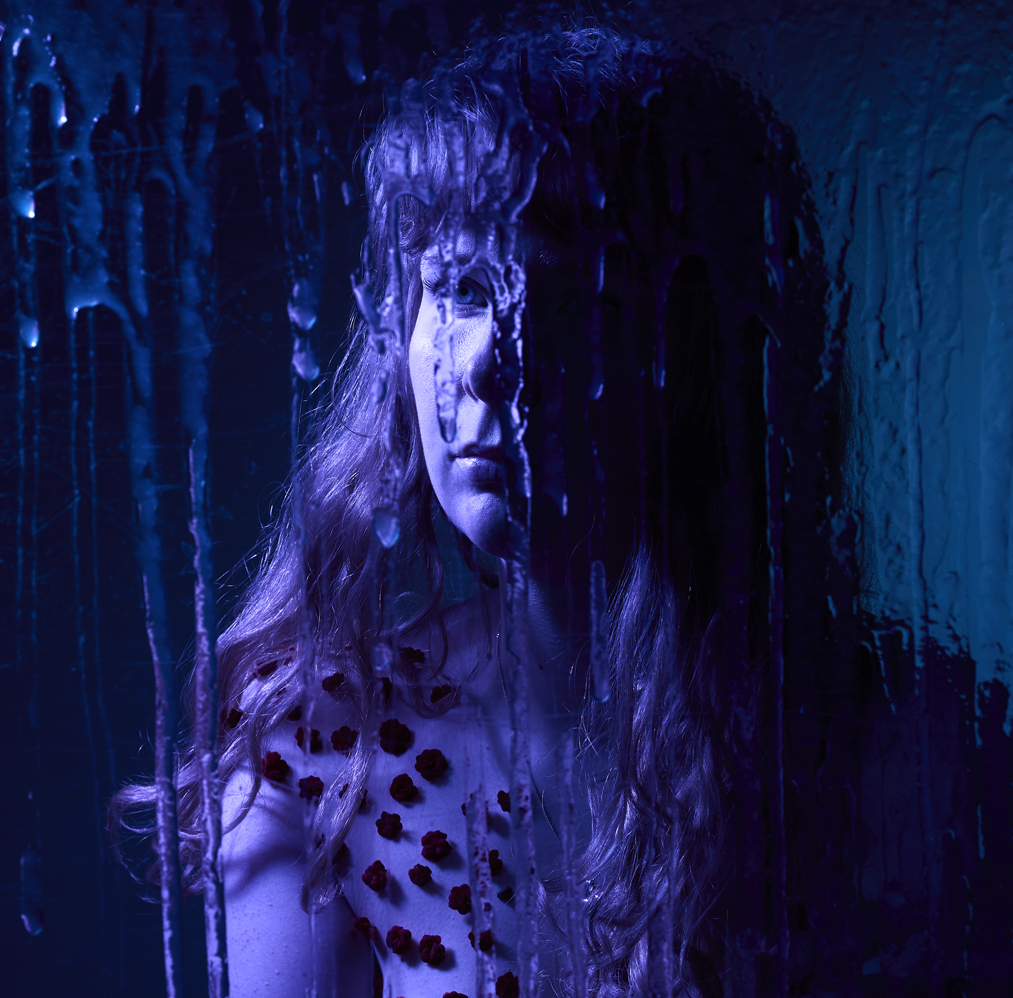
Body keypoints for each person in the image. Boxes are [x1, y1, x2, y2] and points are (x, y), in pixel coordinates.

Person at [111, 25, 849, 998]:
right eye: (458, 289)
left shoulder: (883, 748)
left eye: (563, 294)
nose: (485, 364)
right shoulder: (320, 749)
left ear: (699, 352)